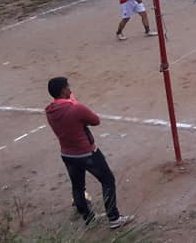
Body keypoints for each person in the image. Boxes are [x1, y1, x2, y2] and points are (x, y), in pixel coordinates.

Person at [45, 77, 134, 230]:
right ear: (63, 90)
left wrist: (71, 104)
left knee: (78, 187)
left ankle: (89, 218)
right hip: (86, 153)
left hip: (67, 154)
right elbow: (95, 120)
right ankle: (114, 218)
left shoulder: (50, 111)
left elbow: (69, 119)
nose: (70, 89)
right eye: (68, 87)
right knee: (107, 180)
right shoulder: (76, 108)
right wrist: (74, 104)